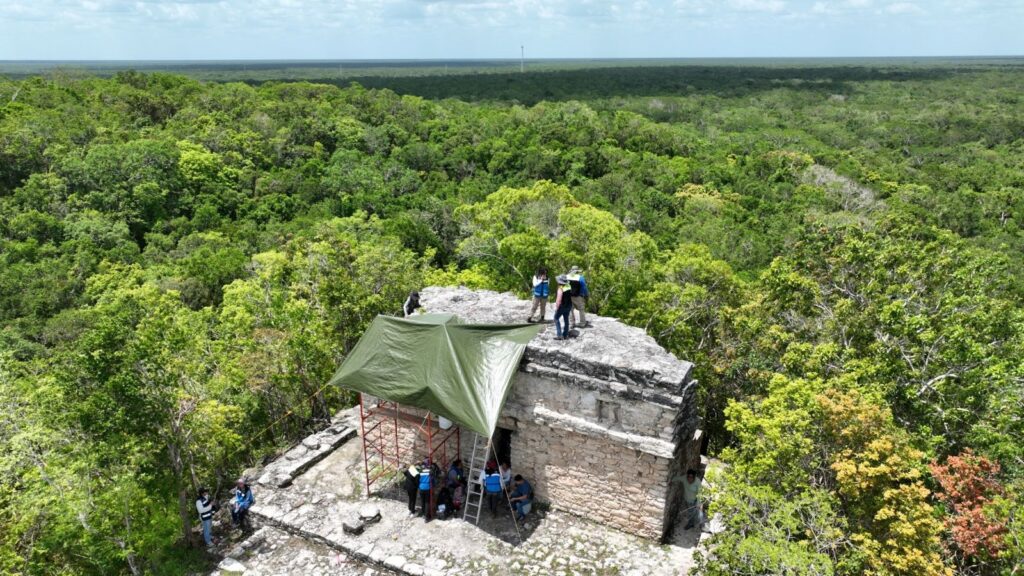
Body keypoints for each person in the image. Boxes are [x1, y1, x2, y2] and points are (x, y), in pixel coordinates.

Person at [553, 275, 574, 340]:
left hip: (563, 306)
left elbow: (559, 299)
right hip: (569, 305)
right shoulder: (569, 286)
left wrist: (557, 307)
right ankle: (565, 334)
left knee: (556, 318)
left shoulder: (560, 288)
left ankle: (559, 335)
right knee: (566, 319)